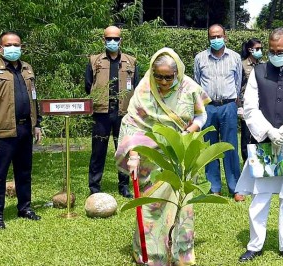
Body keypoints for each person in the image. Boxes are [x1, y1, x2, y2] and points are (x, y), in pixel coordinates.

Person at [115, 47, 211, 265]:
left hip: (181, 154)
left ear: (177, 72)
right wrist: (134, 156)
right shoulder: (144, 88)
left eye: (169, 77)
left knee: (182, 205)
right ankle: (151, 254)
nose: (164, 82)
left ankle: (180, 253)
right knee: (152, 205)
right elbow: (133, 124)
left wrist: (191, 130)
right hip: (151, 157)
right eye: (159, 76)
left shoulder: (189, 87)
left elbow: (201, 114)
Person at [235, 28, 283, 264]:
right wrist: (269, 131)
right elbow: (250, 107)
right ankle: (254, 245)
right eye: (271, 51)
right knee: (260, 197)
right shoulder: (258, 73)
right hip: (264, 143)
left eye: (280, 51)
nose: (276, 54)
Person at [0, 31, 43, 229]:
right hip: (2, 131)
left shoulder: (27, 69)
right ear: (0, 48)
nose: (13, 48)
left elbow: (34, 98)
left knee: (24, 171)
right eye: (8, 44)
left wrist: (37, 124)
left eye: (16, 44)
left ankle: (25, 207)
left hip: (25, 128)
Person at [85, 25, 139, 198]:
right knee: (98, 152)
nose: (113, 42)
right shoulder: (95, 61)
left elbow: (136, 87)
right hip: (101, 113)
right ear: (104, 40)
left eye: (116, 39)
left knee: (123, 151)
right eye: (109, 39)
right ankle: (94, 186)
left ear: (121, 40)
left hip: (123, 113)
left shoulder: (131, 61)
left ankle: (124, 186)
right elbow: (88, 86)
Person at [194, 24, 244, 201]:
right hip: (208, 107)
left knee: (231, 146)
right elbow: (197, 83)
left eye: (219, 36)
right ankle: (214, 186)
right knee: (210, 147)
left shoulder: (235, 58)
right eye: (212, 37)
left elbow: (238, 82)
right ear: (208, 38)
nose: (216, 39)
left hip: (228, 106)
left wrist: (233, 101)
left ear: (225, 36)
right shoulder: (200, 58)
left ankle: (236, 187)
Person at [239, 38, 263, 162]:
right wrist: (240, 106)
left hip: (262, 106)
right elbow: (239, 87)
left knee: (260, 135)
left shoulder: (263, 65)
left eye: (261, 49)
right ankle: (247, 163)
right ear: (250, 49)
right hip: (247, 106)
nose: (260, 51)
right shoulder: (242, 65)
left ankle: (260, 161)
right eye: (257, 49)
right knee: (246, 137)